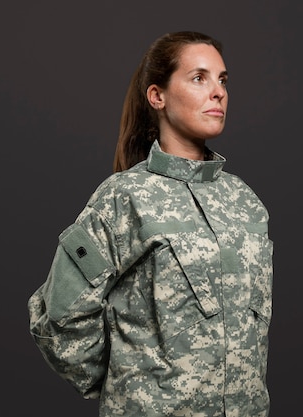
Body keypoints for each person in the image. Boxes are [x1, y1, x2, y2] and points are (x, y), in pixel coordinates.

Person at [28, 30, 274, 417]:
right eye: (199, 78)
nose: (218, 92)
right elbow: (61, 314)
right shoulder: (124, 198)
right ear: (157, 96)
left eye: (222, 80)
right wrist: (127, 384)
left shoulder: (246, 203)